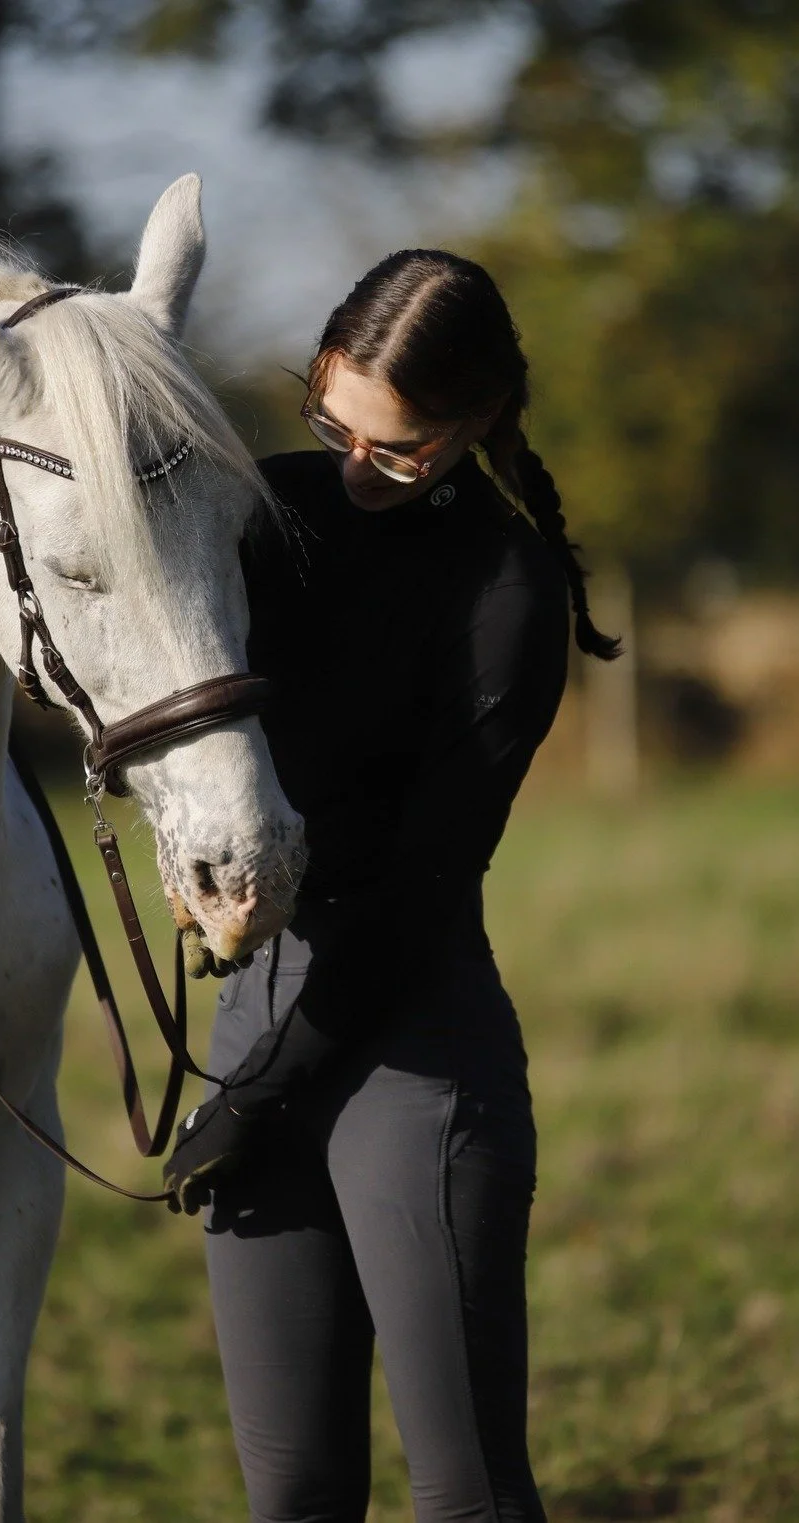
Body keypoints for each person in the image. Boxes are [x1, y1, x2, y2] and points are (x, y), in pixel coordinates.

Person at [162, 249, 620, 1523]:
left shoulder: (505, 587)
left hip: (412, 1058)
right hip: (252, 1028)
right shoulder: (262, 510)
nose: (357, 468)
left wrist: (253, 1091)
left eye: (403, 449)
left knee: (465, 1492)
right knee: (294, 1493)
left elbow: (421, 888)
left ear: (474, 423)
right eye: (333, 425)